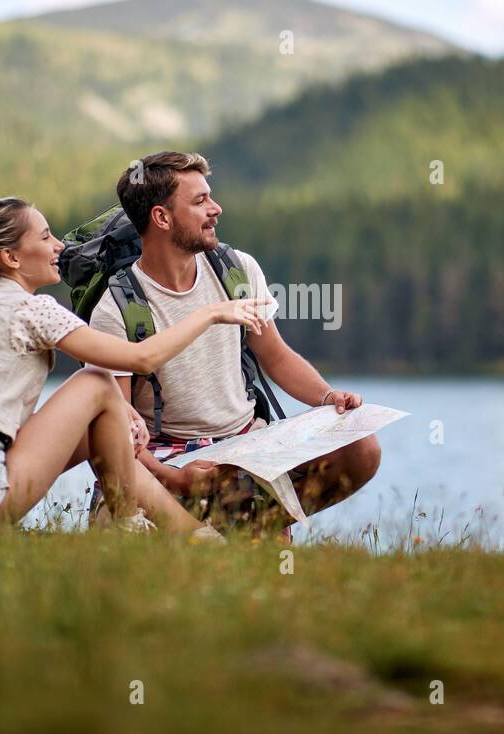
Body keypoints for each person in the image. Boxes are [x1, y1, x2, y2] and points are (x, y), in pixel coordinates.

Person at [0, 196, 267, 535]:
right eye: (45, 237)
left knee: (99, 419)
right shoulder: (31, 308)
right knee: (95, 381)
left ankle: (183, 532)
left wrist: (118, 416)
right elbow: (142, 357)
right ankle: (141, 525)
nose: (59, 246)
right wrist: (212, 313)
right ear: (11, 258)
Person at [88, 152, 380, 534]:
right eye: (200, 201)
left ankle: (245, 525)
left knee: (362, 449)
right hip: (165, 458)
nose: (216, 209)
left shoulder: (237, 269)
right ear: (161, 217)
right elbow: (115, 431)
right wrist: (173, 478)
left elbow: (275, 356)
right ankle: (227, 526)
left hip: (245, 444)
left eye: (211, 196)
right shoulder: (117, 308)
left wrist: (328, 398)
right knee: (125, 535)